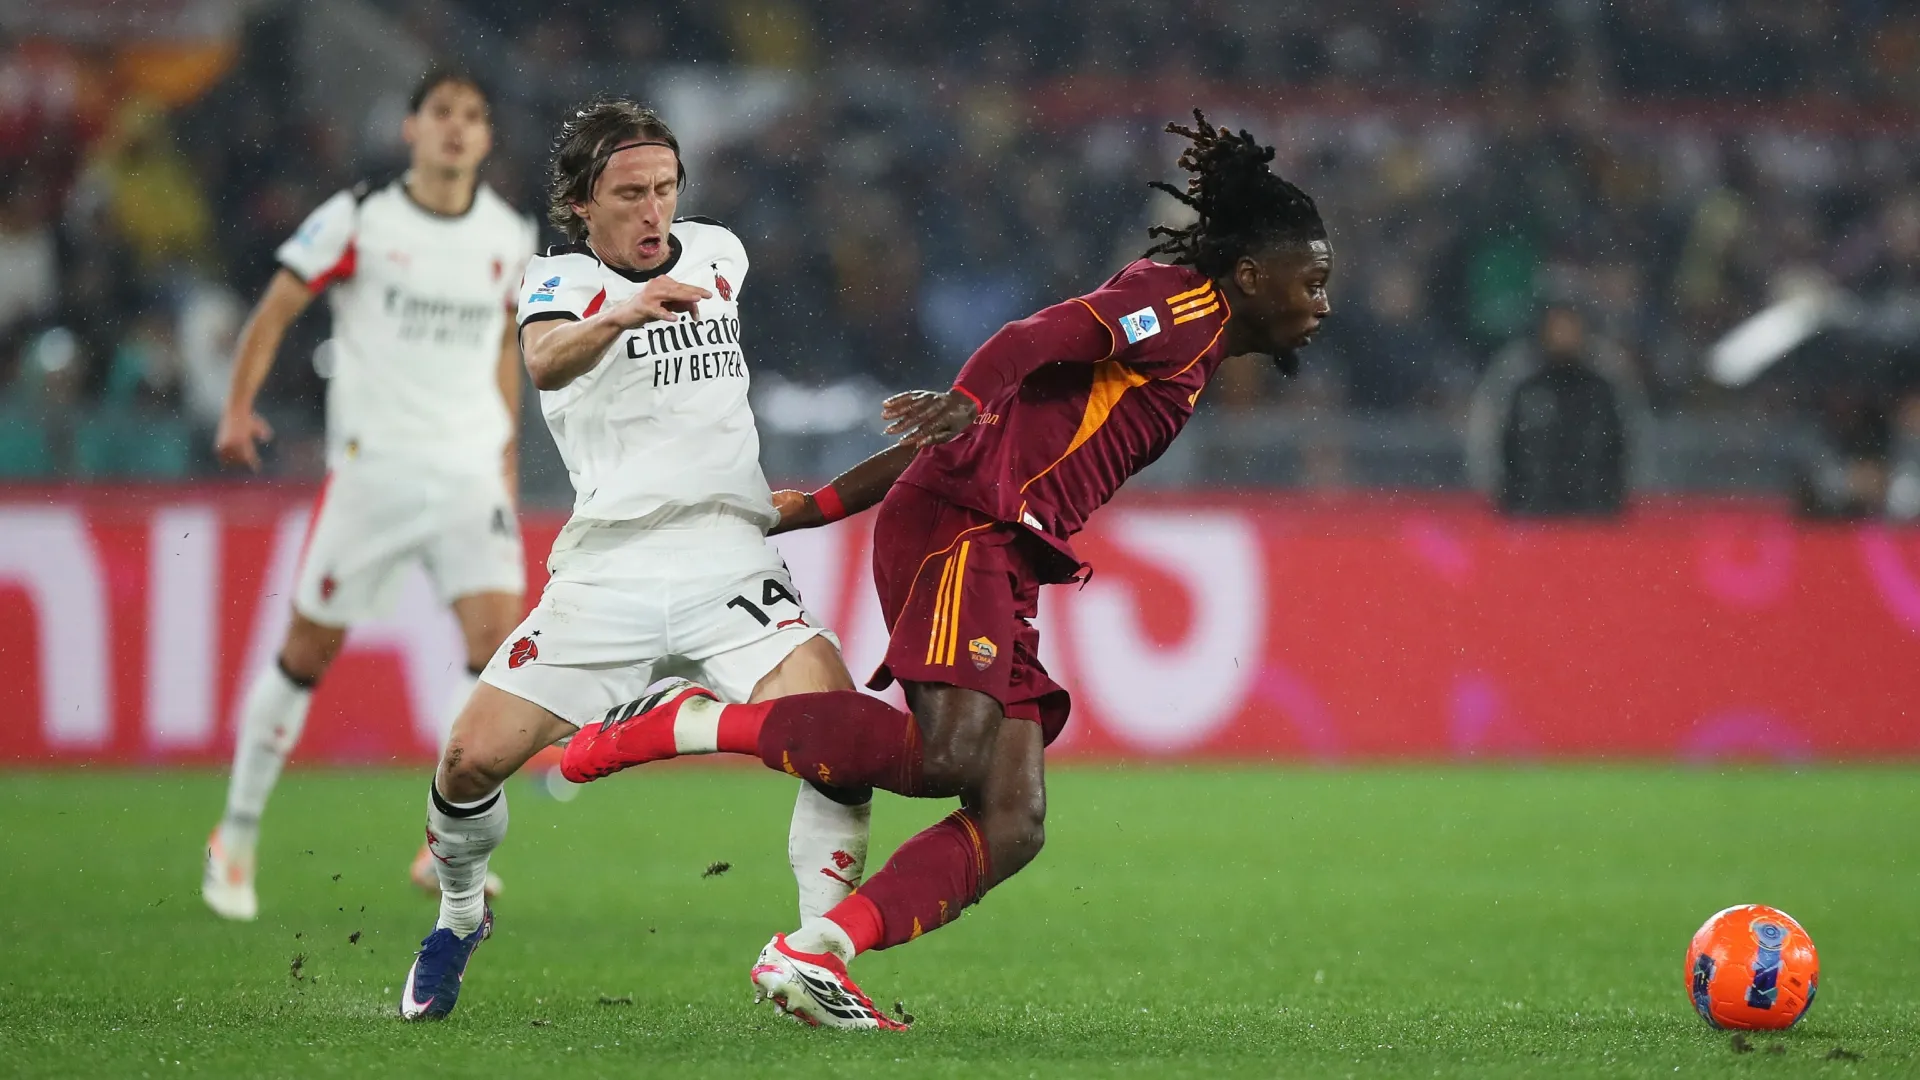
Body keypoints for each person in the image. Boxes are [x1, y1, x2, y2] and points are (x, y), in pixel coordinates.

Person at [558, 111, 1335, 1029]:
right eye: (1313, 281)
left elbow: (982, 429)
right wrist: (965, 396)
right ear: (1252, 276)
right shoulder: (1181, 307)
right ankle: (686, 719)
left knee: (1013, 816)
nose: (1323, 303)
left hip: (997, 539)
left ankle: (819, 952)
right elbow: (1033, 337)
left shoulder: (1196, 342)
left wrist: (825, 503)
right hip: (969, 529)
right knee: (950, 754)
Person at [397, 99, 904, 1020]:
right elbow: (546, 363)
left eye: (665, 188)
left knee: (840, 745)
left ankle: (816, 957)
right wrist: (623, 312)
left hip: (729, 560)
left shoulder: (718, 253)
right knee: (467, 761)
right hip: (609, 570)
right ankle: (461, 915)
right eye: (630, 193)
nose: (654, 210)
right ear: (581, 204)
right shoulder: (555, 282)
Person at [202, 69, 537, 921]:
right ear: (411, 127)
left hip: (468, 471)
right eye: (441, 112)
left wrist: (506, 452)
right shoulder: (360, 217)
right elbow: (277, 308)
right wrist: (238, 408)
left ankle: (443, 841)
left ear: (486, 136)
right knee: (306, 653)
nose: (456, 127)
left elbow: (504, 344)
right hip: (375, 470)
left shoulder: (510, 234)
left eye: (472, 115)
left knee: (500, 656)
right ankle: (235, 834)